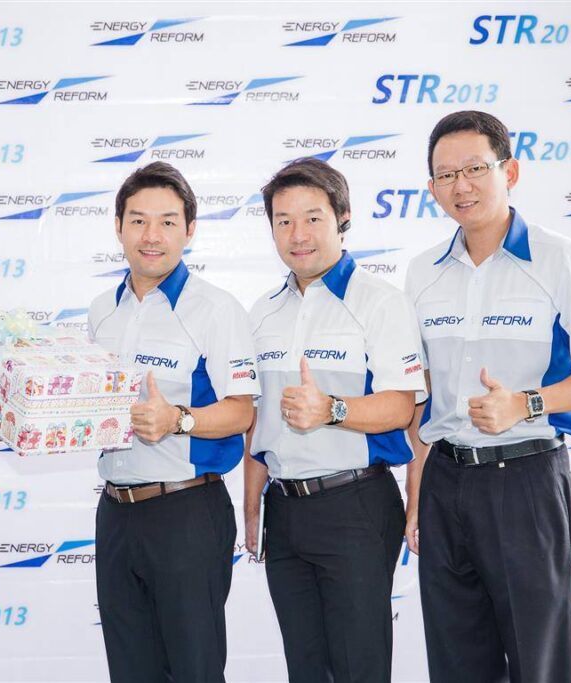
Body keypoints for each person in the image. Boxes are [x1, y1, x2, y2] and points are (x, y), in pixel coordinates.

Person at [404, 110, 571, 683]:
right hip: (445, 481)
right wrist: (417, 494)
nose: (461, 185)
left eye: (475, 168)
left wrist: (525, 403)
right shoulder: (422, 273)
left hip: (525, 479)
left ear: (511, 171)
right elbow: (425, 400)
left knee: (537, 661)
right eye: (446, 175)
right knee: (455, 663)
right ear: (432, 188)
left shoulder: (562, 258)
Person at [243, 157, 426, 683]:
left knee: (357, 666)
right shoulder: (262, 312)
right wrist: (252, 505)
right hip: (283, 509)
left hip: (356, 505)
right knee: (304, 667)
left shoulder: (380, 301)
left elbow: (402, 406)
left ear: (342, 218)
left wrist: (331, 410)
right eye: (283, 221)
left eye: (312, 218)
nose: (297, 234)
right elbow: (258, 420)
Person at [87, 161, 260, 682]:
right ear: (118, 227)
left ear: (190, 230)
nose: (151, 235)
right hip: (116, 513)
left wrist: (176, 420)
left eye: (167, 222)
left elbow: (242, 411)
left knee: (194, 671)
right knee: (130, 671)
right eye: (138, 220)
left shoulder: (216, 309)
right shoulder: (102, 310)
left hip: (186, 512)